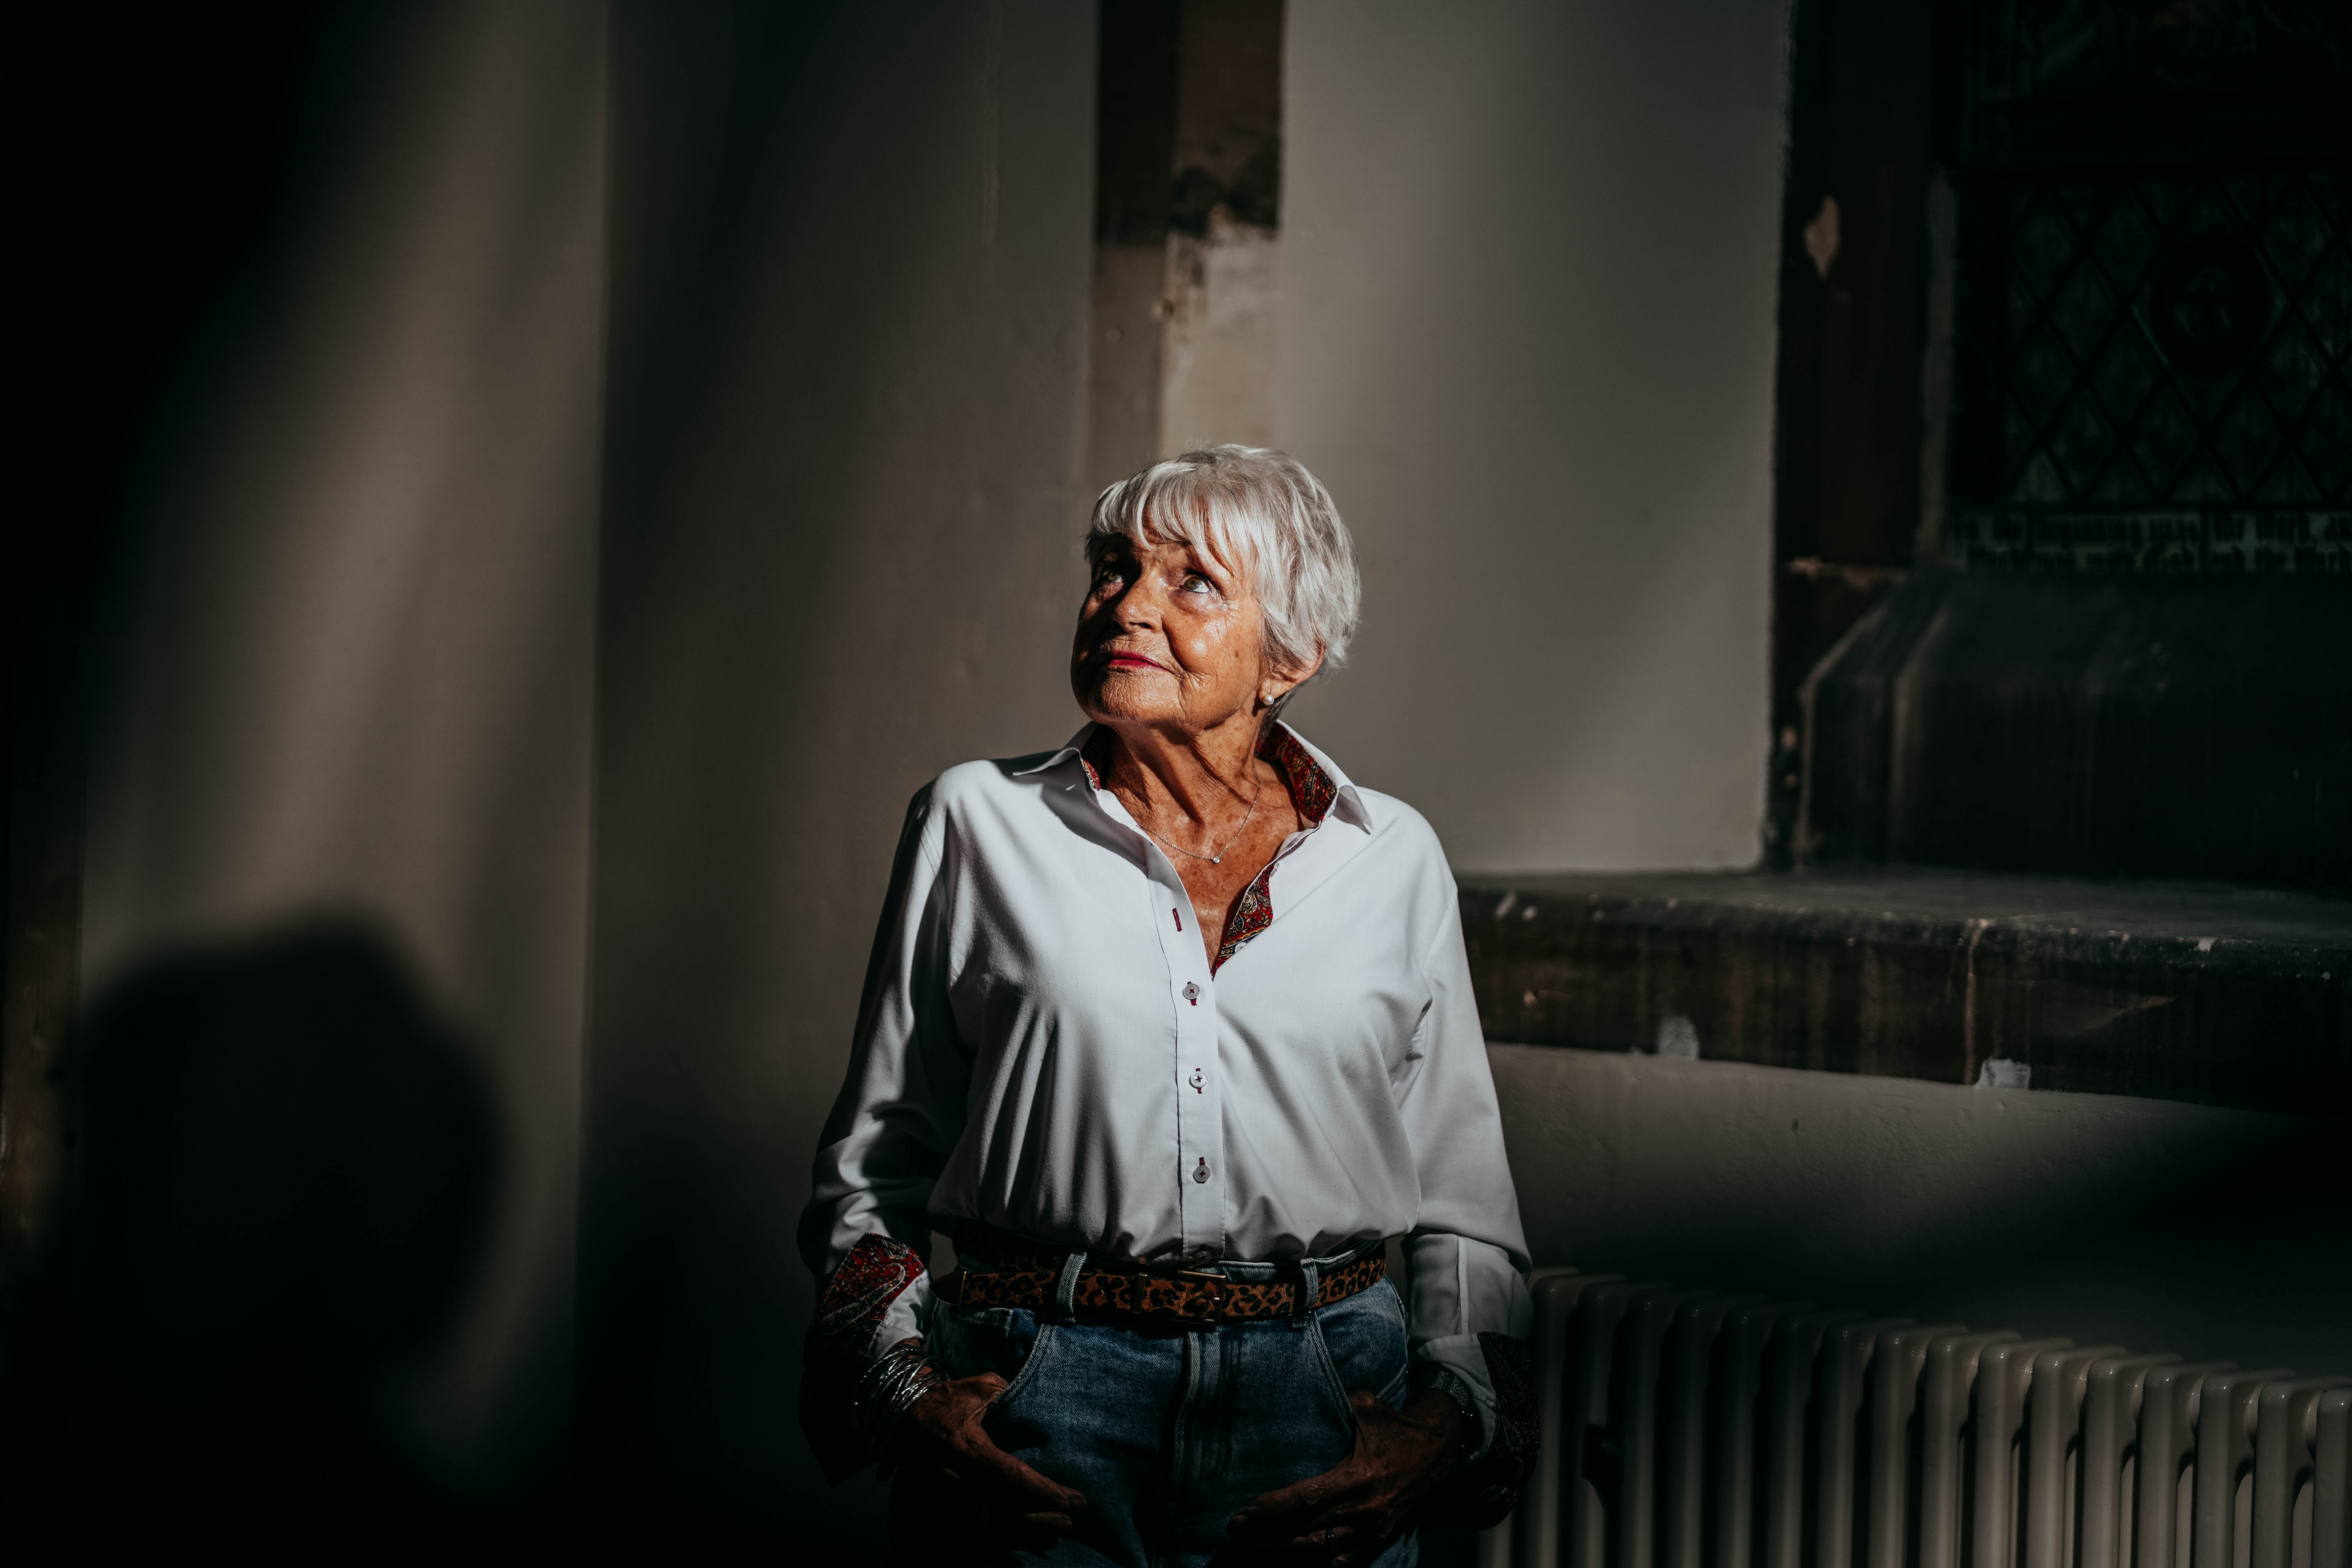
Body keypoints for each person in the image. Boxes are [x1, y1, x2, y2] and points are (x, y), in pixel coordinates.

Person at [800, 446, 1533, 1566]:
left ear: (1288, 656)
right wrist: (905, 1390)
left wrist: (1444, 1421)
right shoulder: (974, 823)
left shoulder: (1393, 859)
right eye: (1111, 567)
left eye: (1191, 581)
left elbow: (1464, 1193)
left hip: (1326, 1403)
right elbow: (877, 1160)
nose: (1126, 605)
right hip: (1040, 1395)